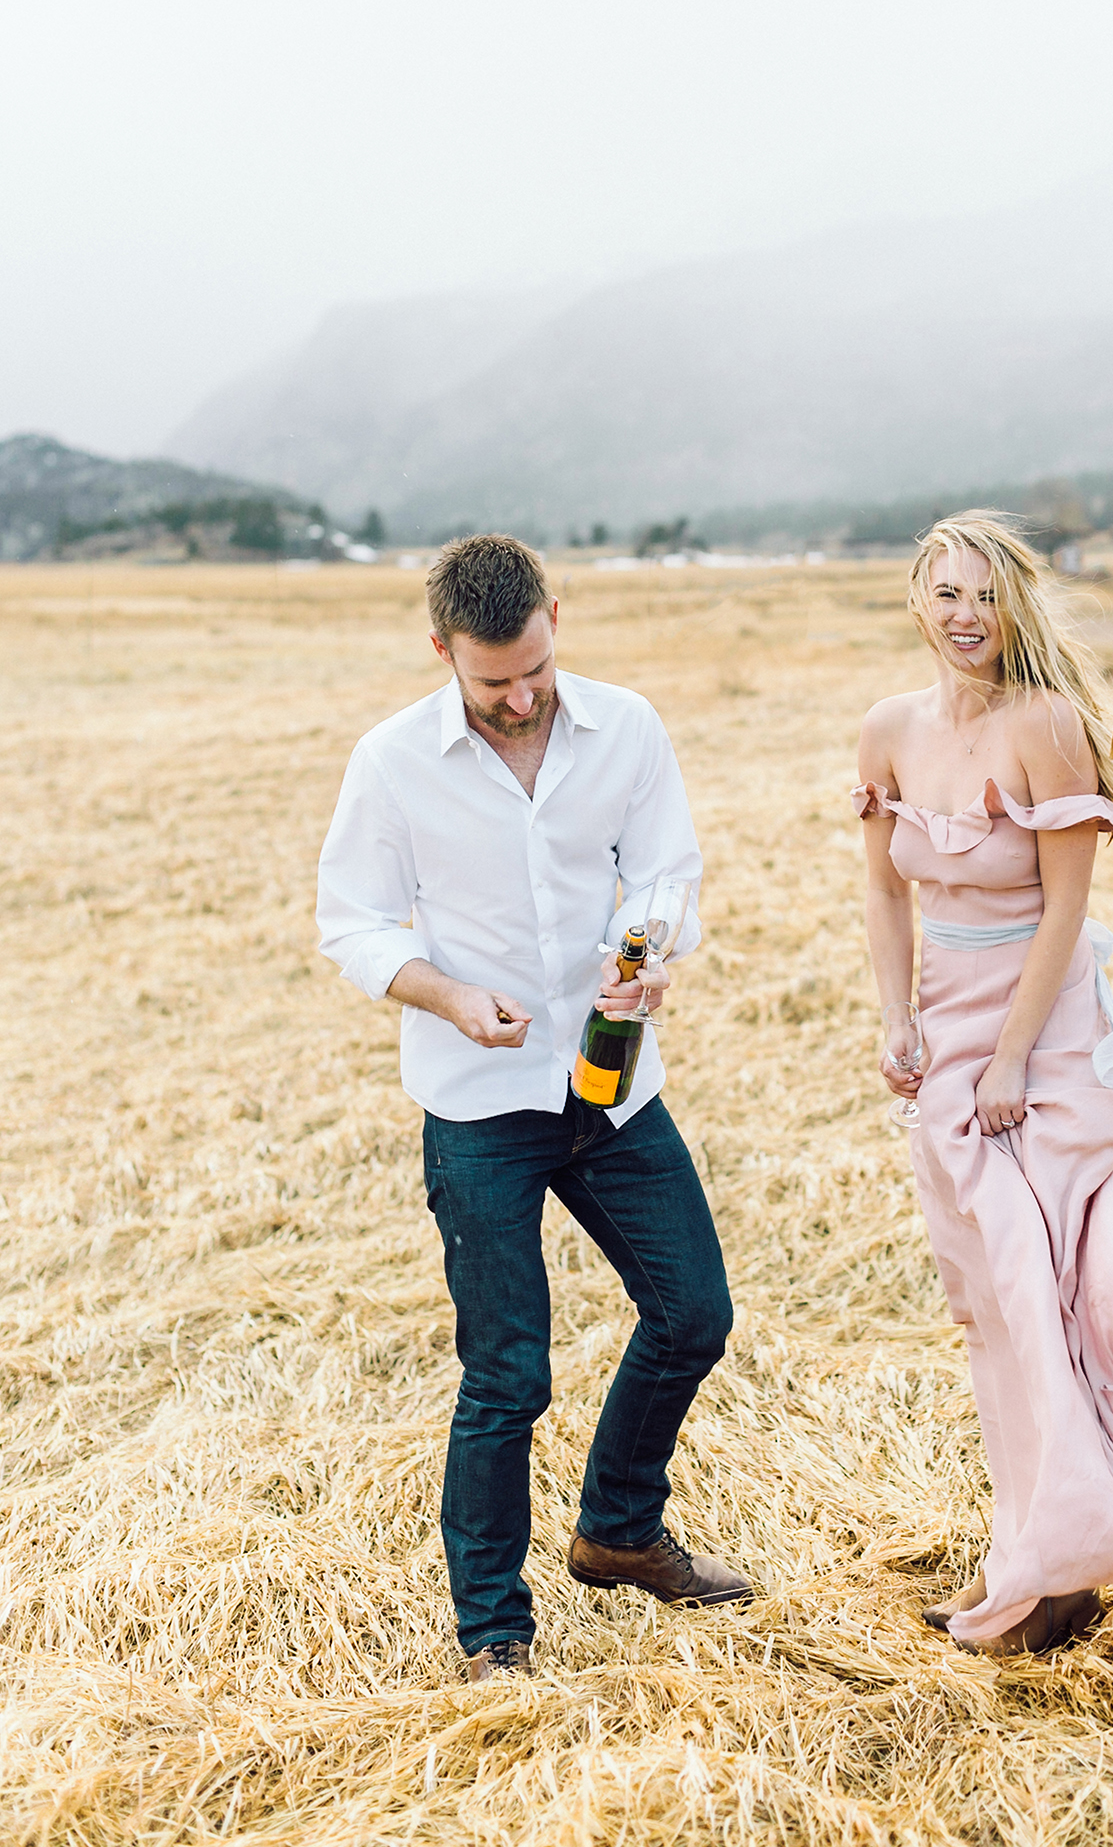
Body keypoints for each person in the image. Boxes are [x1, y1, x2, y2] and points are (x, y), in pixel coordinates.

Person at [316, 533, 750, 1681]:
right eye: (491, 680)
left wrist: (651, 955)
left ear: (557, 616)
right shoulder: (390, 762)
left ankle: (615, 1530)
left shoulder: (630, 728)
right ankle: (493, 1633)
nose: (519, 699)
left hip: (612, 1088)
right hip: (476, 1104)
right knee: (508, 1372)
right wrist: (449, 995)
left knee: (694, 1314)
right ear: (440, 649)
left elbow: (667, 873)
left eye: (535, 672)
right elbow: (351, 924)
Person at [854, 511, 1113, 1654]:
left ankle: (1086, 1544)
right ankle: (1038, 1555)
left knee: (1061, 1287)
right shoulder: (886, 731)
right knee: (991, 1307)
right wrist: (899, 1017)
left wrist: (1017, 1057)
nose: (966, 617)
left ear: (1014, 605)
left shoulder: (1047, 728)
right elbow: (886, 892)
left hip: (1044, 1026)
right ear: (917, 602)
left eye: (986, 596)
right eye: (946, 595)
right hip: (947, 1027)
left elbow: (1067, 909)